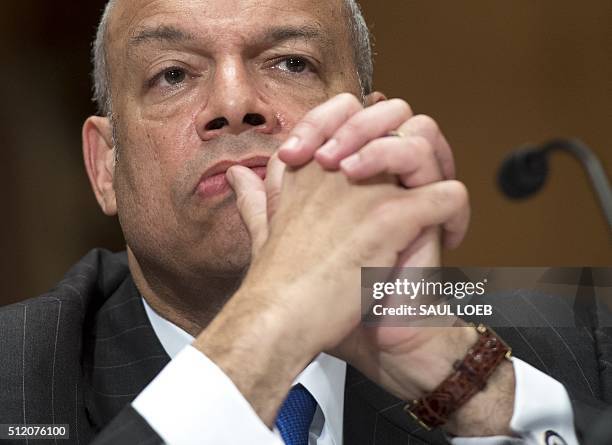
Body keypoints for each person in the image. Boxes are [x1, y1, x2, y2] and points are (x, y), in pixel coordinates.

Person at [0, 0, 608, 444]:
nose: (234, 105)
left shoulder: (581, 347)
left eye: (291, 63)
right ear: (106, 165)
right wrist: (275, 324)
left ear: (374, 132)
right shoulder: (18, 376)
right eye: (174, 74)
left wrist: (469, 387)